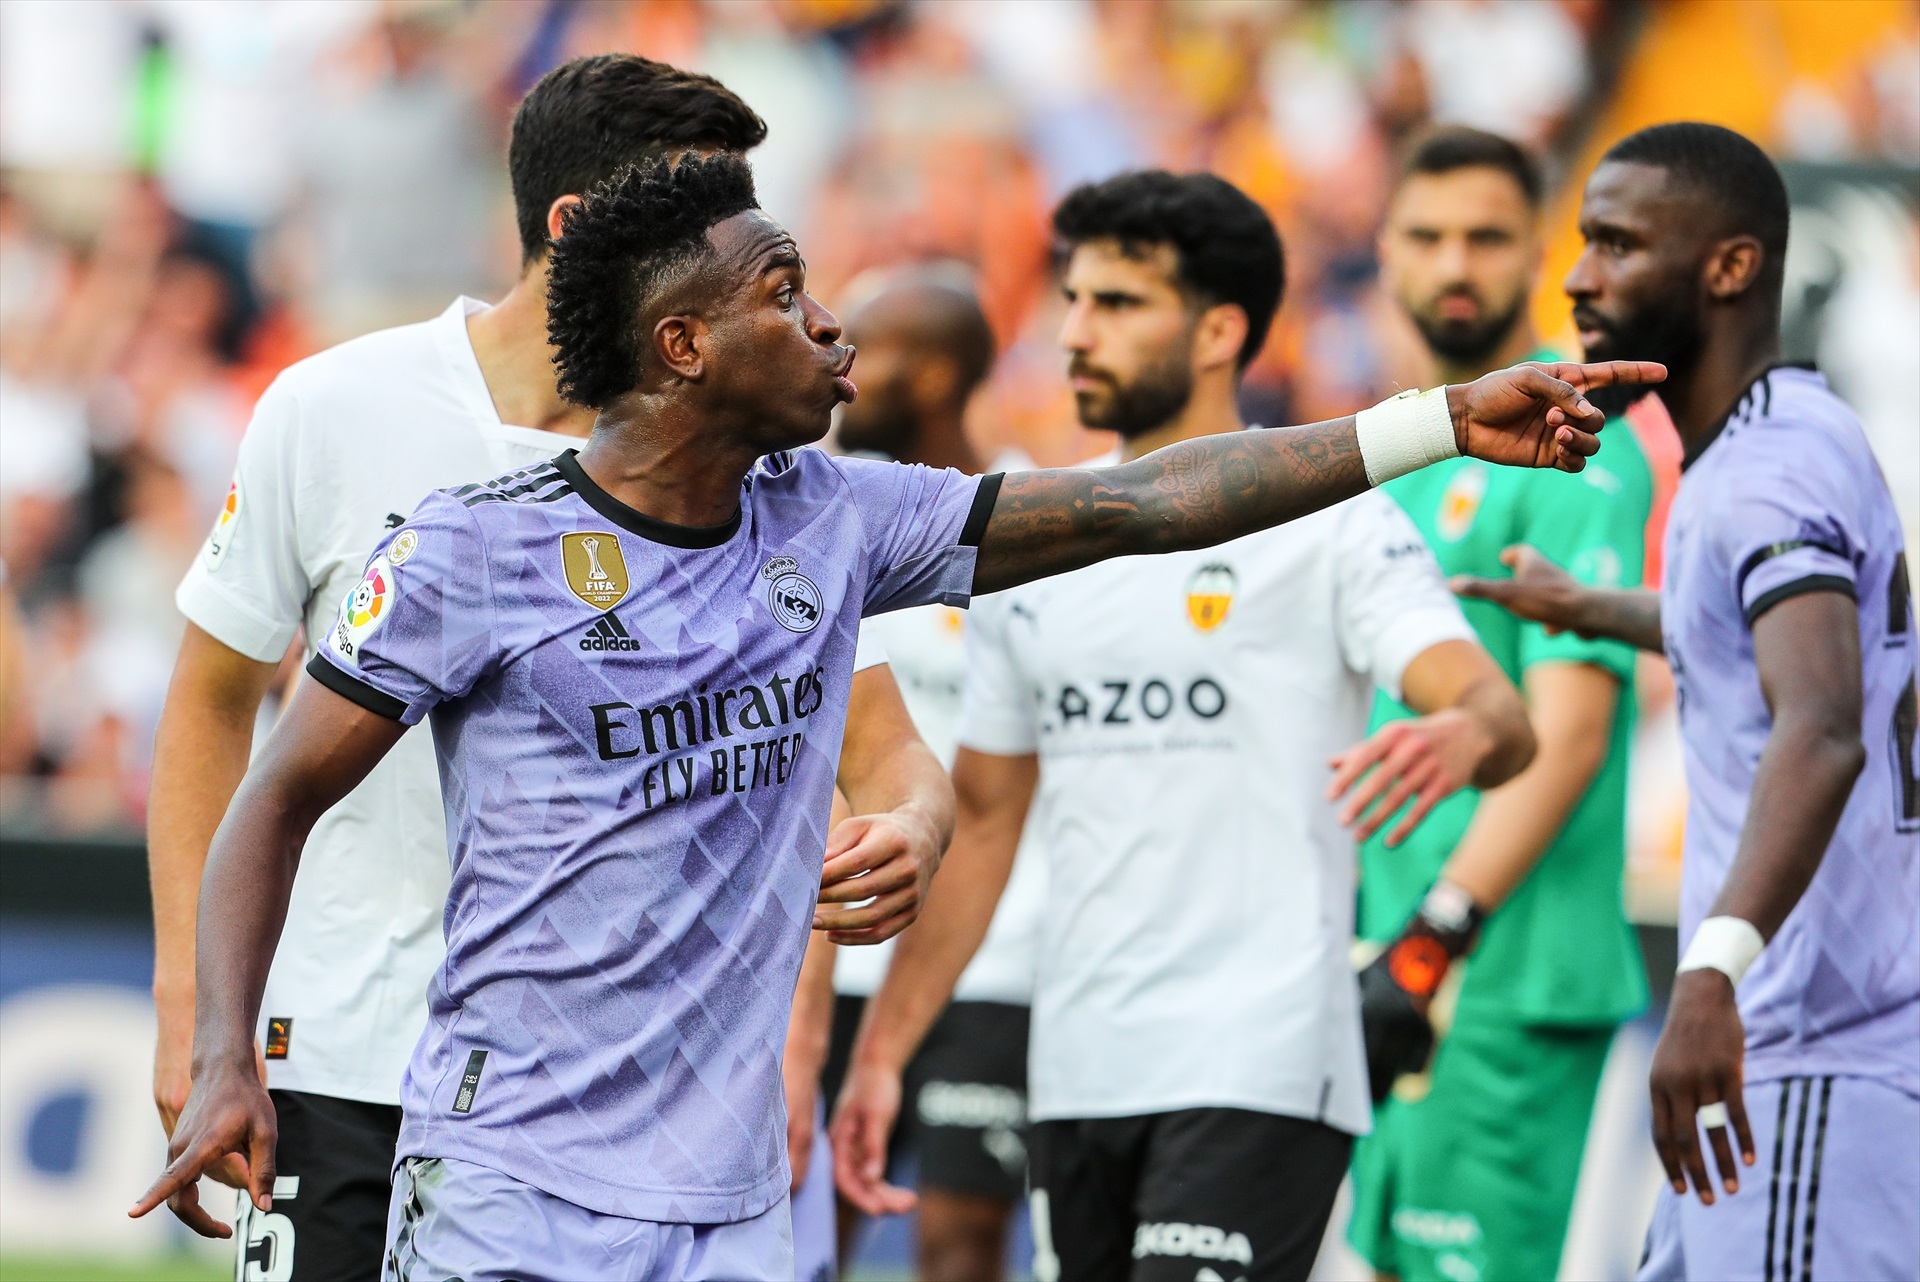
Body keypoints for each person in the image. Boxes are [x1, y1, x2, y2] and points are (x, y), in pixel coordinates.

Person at [132, 150, 1657, 1281]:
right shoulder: (474, 547)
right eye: (788, 299)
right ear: (683, 347)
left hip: (729, 1209)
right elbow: (273, 795)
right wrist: (218, 1052)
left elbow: (1138, 501)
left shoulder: (832, 518)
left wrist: (1431, 424)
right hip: (509, 1187)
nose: (838, 329)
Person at [144, 53, 923, 1280]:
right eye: (690, 216)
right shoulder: (336, 406)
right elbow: (210, 704)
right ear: (577, 230)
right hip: (344, 1045)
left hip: (616, 1107)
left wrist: (909, 830)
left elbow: (881, 749)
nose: (729, 249)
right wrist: (196, 1012)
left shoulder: (746, 471)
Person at [828, 169, 1545, 1282]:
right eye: (1072, 299)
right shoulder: (1040, 543)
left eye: (1116, 304)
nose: (1075, 333)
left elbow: (1499, 714)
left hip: (1260, 1064)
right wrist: (883, 1056)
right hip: (1078, 1068)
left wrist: (1464, 736)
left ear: (1220, 330)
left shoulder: (1335, 526)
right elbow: (982, 819)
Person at [1452, 121, 1919, 1282]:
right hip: (1789, 1049)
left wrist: (1710, 973)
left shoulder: (1764, 471)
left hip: (1813, 1047)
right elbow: (1785, 644)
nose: (1578, 274)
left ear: (1730, 267)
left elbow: (1820, 725)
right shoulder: (1782, 438)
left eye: (1616, 242)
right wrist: (1603, 610)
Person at [1345, 126, 1656, 1282]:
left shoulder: (1567, 446)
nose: (1454, 262)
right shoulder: (1398, 444)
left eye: (1486, 235)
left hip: (1493, 970)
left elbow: (1568, 738)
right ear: (1383, 251)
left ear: (1539, 250)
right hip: (1397, 963)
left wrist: (1432, 941)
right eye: (1427, 236)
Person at [826, 266, 1046, 1281]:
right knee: (806, 1227)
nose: (840, 369)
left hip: (991, 959)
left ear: (945, 371)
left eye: (873, 352)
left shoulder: (1036, 522)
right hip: (832, 954)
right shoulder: (811, 521)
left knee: (959, 1245)